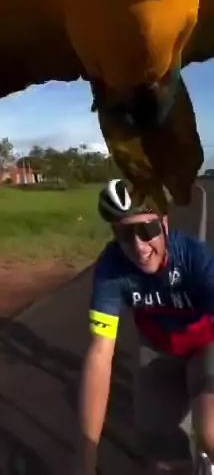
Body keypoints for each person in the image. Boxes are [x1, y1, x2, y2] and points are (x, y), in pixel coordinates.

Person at [74, 178, 214, 475]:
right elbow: (100, 355)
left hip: (205, 346)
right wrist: (87, 453)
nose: (138, 246)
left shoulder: (195, 257)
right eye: (124, 234)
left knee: (211, 430)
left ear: (165, 223)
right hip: (159, 353)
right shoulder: (111, 269)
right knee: (159, 455)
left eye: (147, 230)